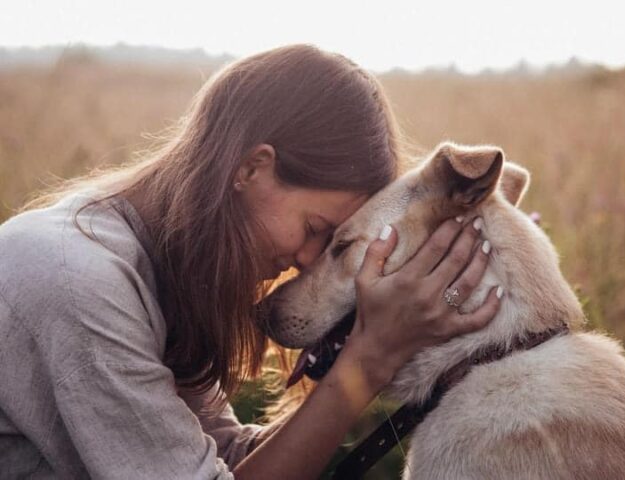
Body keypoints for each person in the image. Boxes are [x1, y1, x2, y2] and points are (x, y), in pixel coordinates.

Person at [0, 44, 501, 479]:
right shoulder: (78, 283)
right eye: (315, 231)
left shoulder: (153, 265)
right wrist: (370, 358)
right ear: (252, 168)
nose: (308, 262)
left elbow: (227, 458)